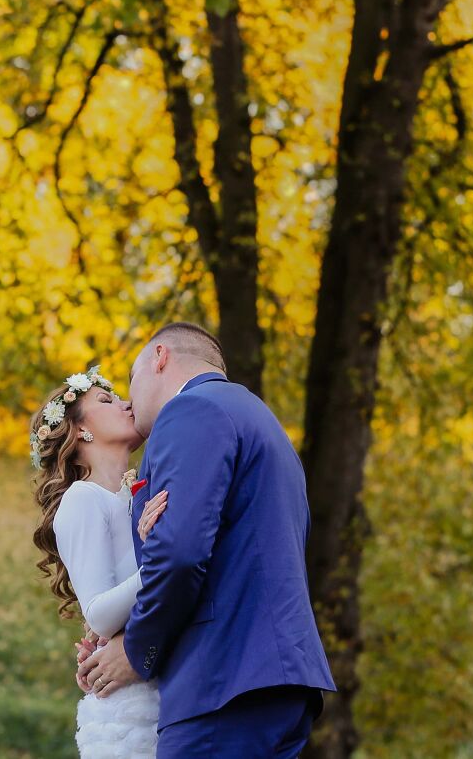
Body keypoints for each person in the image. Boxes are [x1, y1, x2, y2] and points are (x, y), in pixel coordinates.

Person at [78, 323, 336, 756]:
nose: (129, 399)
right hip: (275, 680)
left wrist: (136, 650)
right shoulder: (261, 420)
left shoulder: (192, 410)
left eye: (131, 380)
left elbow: (179, 554)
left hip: (221, 681)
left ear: (160, 357)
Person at [30, 366, 163, 758]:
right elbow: (101, 615)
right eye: (107, 401)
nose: (127, 404)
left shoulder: (137, 497)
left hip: (162, 691)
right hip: (131, 715)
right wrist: (163, 561)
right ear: (80, 431)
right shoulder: (82, 499)